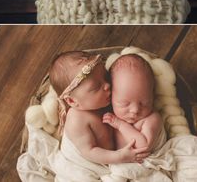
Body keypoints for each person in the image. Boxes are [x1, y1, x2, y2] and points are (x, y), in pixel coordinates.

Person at [48, 51, 150, 181]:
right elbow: (90, 151)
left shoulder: (102, 101)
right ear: (73, 101)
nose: (107, 86)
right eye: (96, 87)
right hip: (89, 163)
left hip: (112, 156)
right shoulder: (77, 119)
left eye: (106, 78)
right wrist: (119, 156)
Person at [103, 53, 166, 180]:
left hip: (146, 166)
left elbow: (143, 146)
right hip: (121, 167)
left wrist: (121, 125)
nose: (135, 110)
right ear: (110, 98)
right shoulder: (109, 115)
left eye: (144, 103)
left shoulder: (152, 118)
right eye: (124, 103)